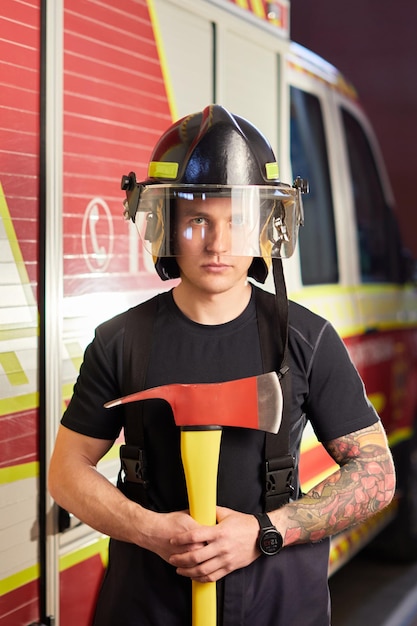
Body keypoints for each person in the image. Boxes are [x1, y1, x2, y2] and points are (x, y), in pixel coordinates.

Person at [48, 104, 395, 625]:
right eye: (197, 221)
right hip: (148, 601)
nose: (217, 242)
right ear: (165, 224)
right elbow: (66, 471)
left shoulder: (306, 339)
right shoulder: (122, 340)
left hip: (278, 601)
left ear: (266, 228)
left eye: (237, 221)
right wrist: (150, 531)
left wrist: (265, 531)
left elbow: (377, 473)